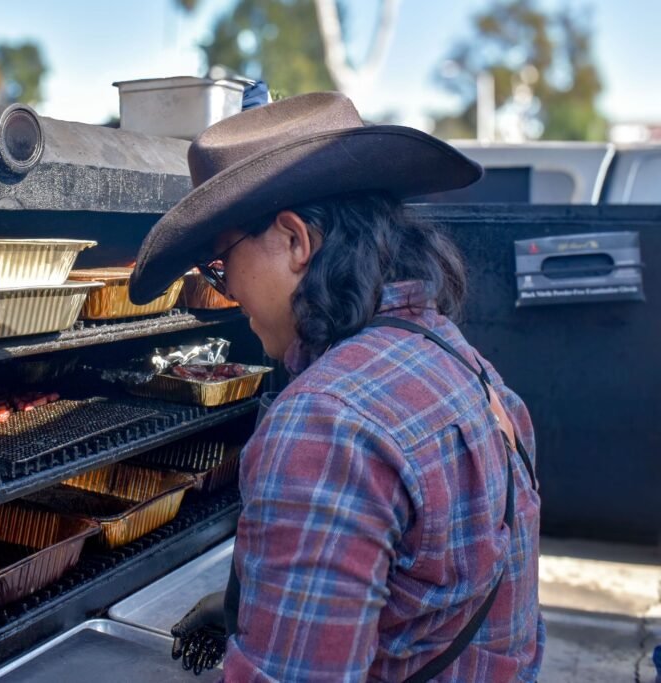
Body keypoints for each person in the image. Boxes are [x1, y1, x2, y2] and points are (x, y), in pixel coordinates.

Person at [129, 92, 544, 682]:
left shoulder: (324, 423)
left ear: (296, 240)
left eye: (220, 265)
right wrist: (248, 603)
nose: (226, 292)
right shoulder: (461, 361)